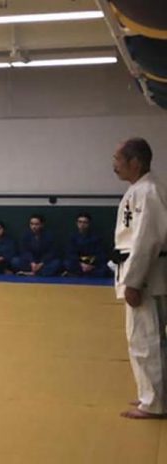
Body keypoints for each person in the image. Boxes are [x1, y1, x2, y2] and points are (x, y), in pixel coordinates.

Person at [112, 137, 167, 419]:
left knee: (145, 339)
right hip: (143, 271)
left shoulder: (148, 191)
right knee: (148, 338)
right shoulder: (142, 189)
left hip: (145, 276)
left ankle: (154, 402)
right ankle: (153, 394)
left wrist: (134, 281)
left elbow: (147, 240)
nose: (114, 165)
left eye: (117, 160)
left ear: (135, 162)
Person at [62, 212, 109, 278]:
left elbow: (100, 254)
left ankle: (78, 274)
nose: (82, 224)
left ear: (89, 224)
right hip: (78, 264)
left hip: (92, 264)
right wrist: (81, 264)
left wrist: (91, 266)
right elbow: (70, 253)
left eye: (85, 222)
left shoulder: (96, 238)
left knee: (105, 269)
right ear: (77, 223)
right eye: (80, 222)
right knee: (67, 264)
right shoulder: (72, 237)